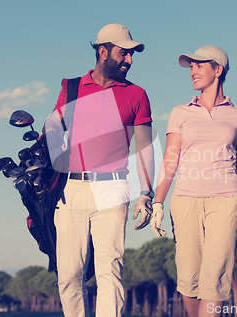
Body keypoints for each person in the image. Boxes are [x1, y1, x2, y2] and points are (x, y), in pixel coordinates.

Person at [43, 24, 155, 317]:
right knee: (69, 275)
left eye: (132, 55)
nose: (129, 60)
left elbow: (144, 146)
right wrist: (56, 153)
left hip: (113, 188)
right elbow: (53, 124)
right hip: (72, 189)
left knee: (109, 272)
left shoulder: (137, 94)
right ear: (103, 51)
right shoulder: (72, 88)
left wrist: (146, 192)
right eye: (124, 53)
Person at [150, 46, 237, 317]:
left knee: (216, 280)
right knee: (189, 281)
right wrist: (158, 202)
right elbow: (169, 160)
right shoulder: (180, 112)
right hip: (185, 200)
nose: (192, 72)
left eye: (199, 66)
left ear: (218, 69)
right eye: (191, 67)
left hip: (226, 201)